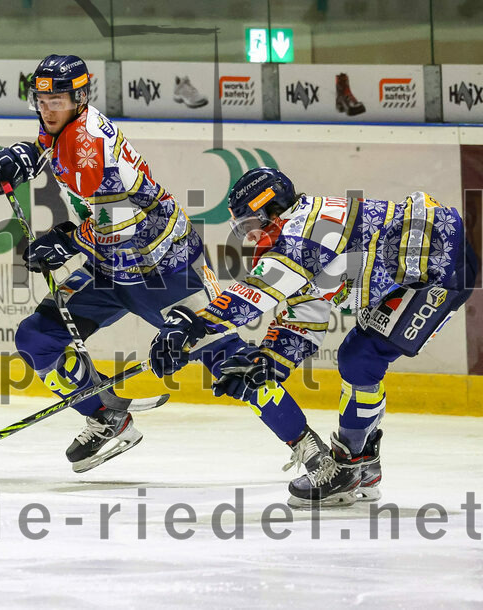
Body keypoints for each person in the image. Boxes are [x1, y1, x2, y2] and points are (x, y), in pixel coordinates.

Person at [149, 167, 478, 508]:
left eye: (250, 224)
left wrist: (192, 324)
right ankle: (363, 463)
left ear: (271, 208)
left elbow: (254, 295)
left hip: (442, 263)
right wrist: (267, 363)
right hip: (421, 267)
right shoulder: (296, 237)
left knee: (361, 359)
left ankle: (347, 468)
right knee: (361, 358)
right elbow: (304, 320)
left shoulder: (302, 234)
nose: (249, 236)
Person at [0, 54, 244, 473]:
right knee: (37, 337)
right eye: (41, 101)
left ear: (79, 98)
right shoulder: (65, 122)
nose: (47, 109)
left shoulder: (87, 145)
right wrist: (22, 155)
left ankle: (319, 450)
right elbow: (48, 146)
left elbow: (120, 220)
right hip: (110, 265)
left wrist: (67, 240)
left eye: (56, 101)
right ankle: (107, 419)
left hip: (161, 266)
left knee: (230, 359)